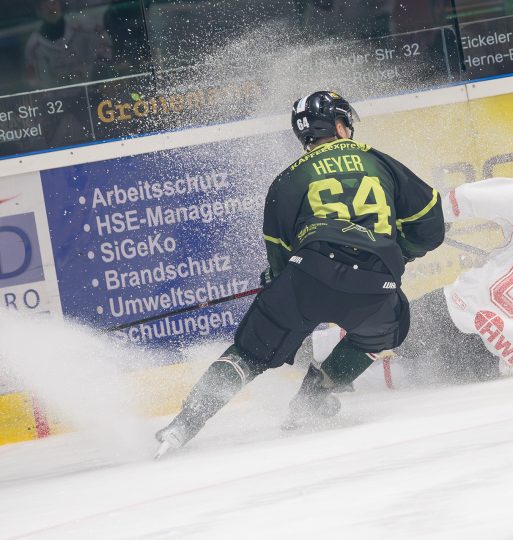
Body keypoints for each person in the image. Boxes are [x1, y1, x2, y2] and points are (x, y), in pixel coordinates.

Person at [154, 91, 444, 456]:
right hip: (374, 287)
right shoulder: (379, 162)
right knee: (381, 331)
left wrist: (276, 281)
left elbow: (279, 262)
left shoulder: (288, 180)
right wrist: (395, 254)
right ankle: (312, 400)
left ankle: (184, 424)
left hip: (306, 281)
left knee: (249, 354)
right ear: (340, 126)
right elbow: (431, 227)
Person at [314, 173, 513, 387]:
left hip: (455, 311)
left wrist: (434, 221)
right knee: (404, 378)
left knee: (378, 332)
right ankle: (344, 383)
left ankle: (308, 350)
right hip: (485, 357)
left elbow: (465, 198)